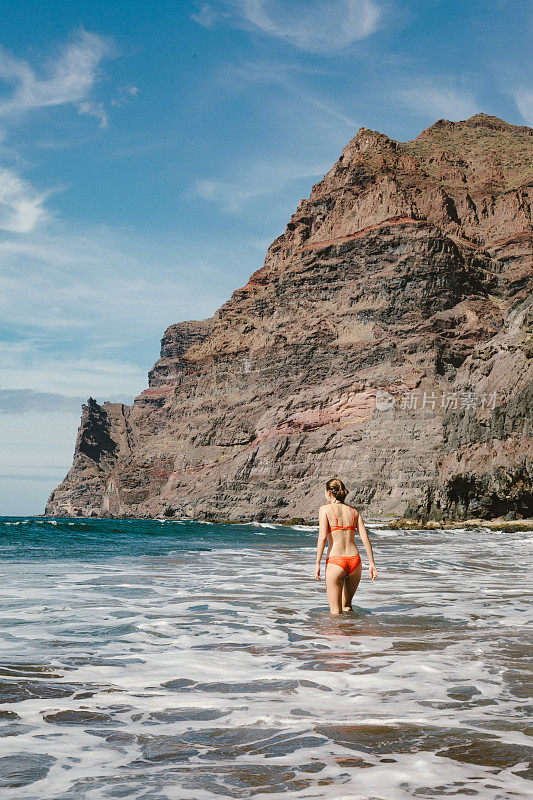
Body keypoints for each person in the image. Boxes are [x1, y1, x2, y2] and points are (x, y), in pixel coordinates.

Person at [315, 477, 378, 614]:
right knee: (347, 607)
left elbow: (323, 537)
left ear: (329, 493)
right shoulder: (354, 512)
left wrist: (318, 563)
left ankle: (337, 635)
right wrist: (372, 564)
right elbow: (365, 538)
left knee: (335, 613)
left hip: (336, 561)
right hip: (355, 562)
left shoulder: (325, 510)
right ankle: (351, 633)